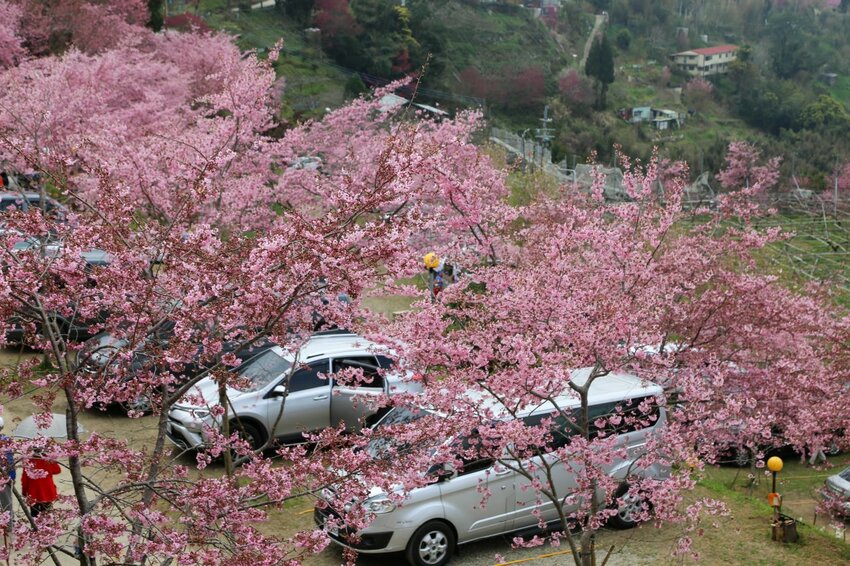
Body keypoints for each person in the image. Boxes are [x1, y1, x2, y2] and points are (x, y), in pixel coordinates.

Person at [21, 451, 60, 518]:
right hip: (47, 492)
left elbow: (25, 480)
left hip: (33, 493)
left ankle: (35, 527)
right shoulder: (47, 460)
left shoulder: (28, 461)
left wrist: (24, 492)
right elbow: (57, 470)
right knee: (47, 515)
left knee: (34, 515)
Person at [0, 417, 13, 542]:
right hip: (5, 477)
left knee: (6, 502)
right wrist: (11, 477)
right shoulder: (6, 441)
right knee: (7, 502)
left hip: (3, 477)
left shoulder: (5, 441)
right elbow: (10, 461)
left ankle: (8, 525)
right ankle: (8, 525)